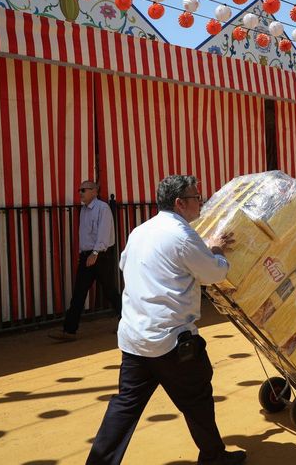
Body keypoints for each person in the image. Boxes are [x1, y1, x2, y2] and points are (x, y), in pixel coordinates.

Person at [87, 175, 246, 465]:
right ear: (180, 202)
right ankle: (213, 457)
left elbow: (126, 264)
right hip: (171, 340)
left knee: (125, 406)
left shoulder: (140, 231)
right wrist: (218, 251)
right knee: (197, 397)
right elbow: (213, 274)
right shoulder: (182, 234)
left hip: (135, 337)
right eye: (196, 197)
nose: (200, 201)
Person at [49, 180, 121, 341]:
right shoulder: (84, 210)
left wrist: (94, 253)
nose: (80, 193)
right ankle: (69, 330)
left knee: (110, 291)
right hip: (88, 255)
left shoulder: (102, 208)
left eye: (84, 190)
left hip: (100, 255)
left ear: (94, 191)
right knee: (79, 293)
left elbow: (103, 233)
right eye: (79, 190)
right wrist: (85, 253)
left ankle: (129, 323)